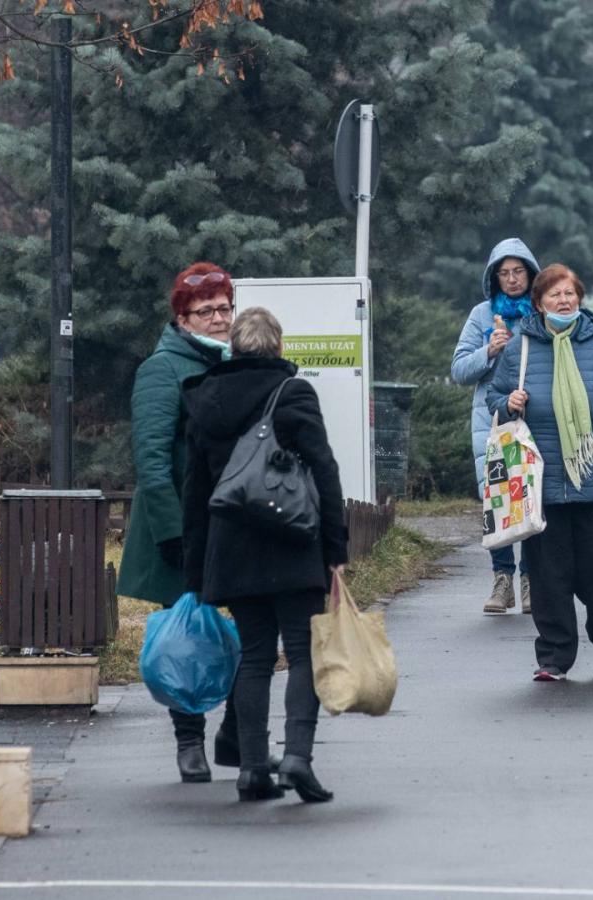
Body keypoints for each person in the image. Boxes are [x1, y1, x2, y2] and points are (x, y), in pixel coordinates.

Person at [182, 307, 347, 803]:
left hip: (231, 548)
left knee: (254, 657)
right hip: (293, 542)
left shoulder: (205, 397)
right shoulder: (293, 393)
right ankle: (297, 755)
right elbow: (324, 470)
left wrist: (195, 569)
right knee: (301, 653)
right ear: (277, 347)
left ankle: (253, 769)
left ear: (234, 347)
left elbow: (195, 490)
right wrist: (336, 550)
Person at [486, 265, 593, 682]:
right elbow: (494, 397)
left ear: (579, 298)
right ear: (539, 303)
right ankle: (554, 656)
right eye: (555, 295)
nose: (564, 301)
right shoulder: (519, 346)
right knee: (547, 575)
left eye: (570, 294)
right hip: (538, 483)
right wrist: (509, 402)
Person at [120, 262, 243, 785]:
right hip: (186, 528)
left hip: (235, 523)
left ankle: (237, 732)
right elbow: (150, 458)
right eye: (206, 311)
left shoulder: (235, 363)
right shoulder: (162, 369)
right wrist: (171, 532)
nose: (219, 318)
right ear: (182, 318)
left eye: (224, 308)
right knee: (187, 638)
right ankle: (188, 739)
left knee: (248, 630)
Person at [453, 239, 541, 614]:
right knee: (498, 499)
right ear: (493, 277)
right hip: (491, 422)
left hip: (537, 416)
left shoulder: (541, 310)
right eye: (503, 273)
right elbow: (458, 369)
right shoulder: (482, 315)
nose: (511, 279)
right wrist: (489, 350)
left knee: (535, 498)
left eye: (518, 271)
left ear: (530, 273)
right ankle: (502, 579)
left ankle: (531, 579)